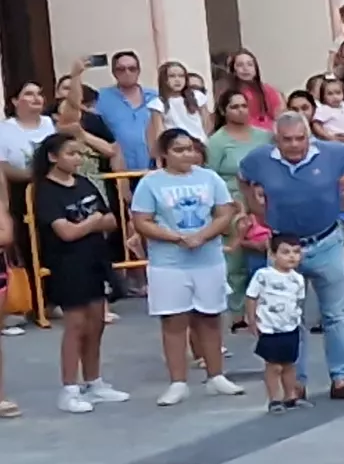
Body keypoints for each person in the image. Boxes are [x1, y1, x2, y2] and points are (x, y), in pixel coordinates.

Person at [239, 111, 344, 400]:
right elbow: (243, 175)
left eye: (301, 138)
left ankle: (341, 378)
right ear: (277, 139)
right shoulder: (260, 159)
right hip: (284, 247)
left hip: (326, 241)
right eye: (288, 140)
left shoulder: (331, 152)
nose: (295, 145)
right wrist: (253, 204)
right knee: (290, 317)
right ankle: (295, 383)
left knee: (337, 314)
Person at [130, 129, 241, 403]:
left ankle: (216, 375)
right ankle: (177, 381)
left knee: (210, 318)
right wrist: (175, 237)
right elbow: (142, 220)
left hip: (208, 259)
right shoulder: (151, 183)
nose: (187, 155)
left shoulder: (209, 178)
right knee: (174, 320)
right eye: (179, 150)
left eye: (190, 148)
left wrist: (203, 235)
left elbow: (224, 212)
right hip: (169, 263)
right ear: (165, 153)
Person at [35, 136, 119, 413]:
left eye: (80, 154)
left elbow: (111, 220)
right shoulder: (46, 191)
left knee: (97, 323)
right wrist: (93, 222)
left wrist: (91, 223)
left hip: (95, 259)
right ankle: (69, 387)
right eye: (71, 153)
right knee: (76, 325)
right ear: (53, 156)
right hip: (67, 264)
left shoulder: (84, 183)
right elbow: (66, 232)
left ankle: (94, 381)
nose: (77, 159)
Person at [245, 235, 310, 408]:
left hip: (290, 327)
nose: (292, 256)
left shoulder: (298, 279)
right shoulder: (263, 275)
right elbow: (252, 296)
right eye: (285, 252)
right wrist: (251, 319)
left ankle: (291, 396)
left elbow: (298, 301)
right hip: (269, 329)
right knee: (274, 366)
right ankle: (274, 399)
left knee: (289, 365)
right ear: (273, 255)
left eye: (296, 252)